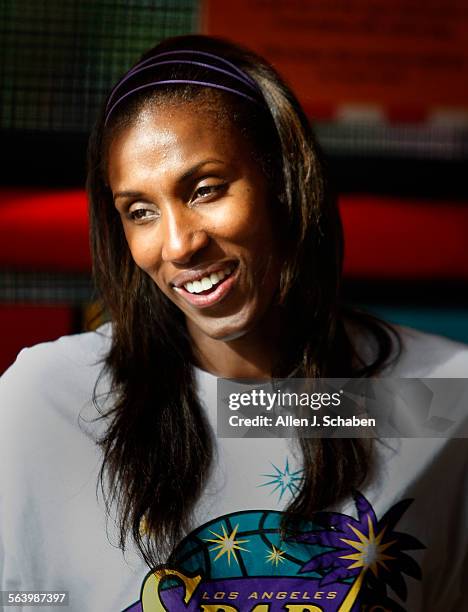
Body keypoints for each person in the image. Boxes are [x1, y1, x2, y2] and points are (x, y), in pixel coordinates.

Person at [0, 34, 467, 612]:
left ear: (284, 184)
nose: (178, 244)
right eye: (139, 211)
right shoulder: (48, 400)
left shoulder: (441, 398)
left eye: (205, 189)